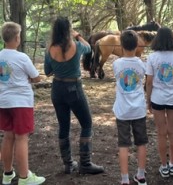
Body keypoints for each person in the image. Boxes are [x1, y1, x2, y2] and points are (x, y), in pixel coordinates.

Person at [44, 16, 104, 175]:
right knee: (87, 123)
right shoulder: (77, 46)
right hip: (74, 89)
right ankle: (85, 163)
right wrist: (77, 35)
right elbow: (89, 48)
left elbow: (47, 72)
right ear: (68, 30)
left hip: (57, 89)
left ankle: (68, 164)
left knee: (64, 126)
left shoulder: (50, 48)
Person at [0, 22, 45, 185]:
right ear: (17, 38)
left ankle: (7, 174)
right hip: (21, 102)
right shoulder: (21, 57)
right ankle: (25, 177)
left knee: (8, 135)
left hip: (3, 101)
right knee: (21, 138)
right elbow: (36, 77)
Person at [145, 27, 173, 178]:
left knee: (161, 133)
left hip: (158, 99)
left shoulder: (152, 57)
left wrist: (148, 100)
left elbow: (149, 82)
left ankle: (163, 166)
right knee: (172, 132)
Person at [112, 30, 148, 185]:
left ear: (121, 45)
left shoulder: (116, 64)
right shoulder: (141, 64)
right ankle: (141, 175)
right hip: (139, 109)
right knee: (141, 143)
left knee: (123, 145)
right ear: (137, 45)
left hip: (122, 111)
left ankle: (124, 179)